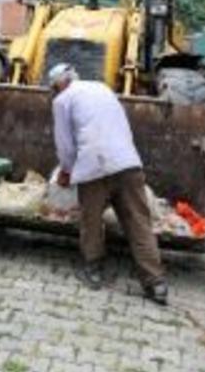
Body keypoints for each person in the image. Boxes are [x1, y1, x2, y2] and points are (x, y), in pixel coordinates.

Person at [49, 63, 169, 306]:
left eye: (53, 88)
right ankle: (156, 283)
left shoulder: (62, 100)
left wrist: (66, 170)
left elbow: (65, 145)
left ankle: (93, 269)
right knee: (138, 222)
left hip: (94, 165)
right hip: (128, 162)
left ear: (58, 85)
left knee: (91, 220)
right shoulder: (103, 89)